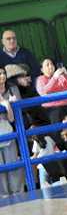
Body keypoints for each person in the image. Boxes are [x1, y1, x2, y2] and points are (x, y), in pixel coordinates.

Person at [0, 67, 25, 197]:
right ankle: (3, 196)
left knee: (13, 164)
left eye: (3, 73)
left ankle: (18, 194)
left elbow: (13, 117)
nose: (2, 75)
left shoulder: (12, 89)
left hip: (8, 131)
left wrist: (8, 105)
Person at [35, 59, 67, 126]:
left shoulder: (61, 76)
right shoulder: (40, 79)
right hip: (52, 106)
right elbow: (43, 92)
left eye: (51, 64)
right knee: (56, 115)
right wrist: (54, 78)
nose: (50, 66)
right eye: (47, 65)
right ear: (42, 70)